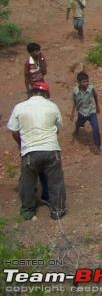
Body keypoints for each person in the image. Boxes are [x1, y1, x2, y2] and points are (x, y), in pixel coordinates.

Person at [7, 81, 67, 220]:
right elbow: (57, 128)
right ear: (46, 94)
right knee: (55, 181)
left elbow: (14, 131)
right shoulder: (52, 106)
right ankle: (57, 210)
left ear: (31, 92)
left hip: (29, 151)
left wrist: (23, 143)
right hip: (51, 150)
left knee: (28, 182)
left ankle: (28, 211)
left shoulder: (19, 107)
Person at [70, 71, 101, 154]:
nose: (86, 83)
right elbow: (74, 101)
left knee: (96, 128)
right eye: (84, 82)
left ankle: (97, 146)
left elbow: (95, 96)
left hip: (91, 111)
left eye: (87, 81)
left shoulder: (91, 88)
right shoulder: (75, 91)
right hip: (82, 111)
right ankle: (76, 129)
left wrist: (97, 106)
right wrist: (72, 112)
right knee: (79, 123)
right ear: (79, 83)